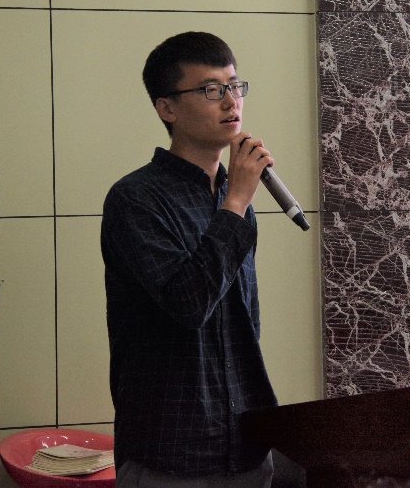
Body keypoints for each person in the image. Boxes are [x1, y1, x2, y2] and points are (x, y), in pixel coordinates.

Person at [101, 31, 278, 487]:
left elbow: (246, 320)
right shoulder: (136, 198)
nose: (231, 102)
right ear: (167, 108)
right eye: (211, 89)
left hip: (246, 446)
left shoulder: (234, 198)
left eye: (235, 86)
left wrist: (235, 200)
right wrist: (236, 202)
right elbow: (188, 304)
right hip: (170, 451)